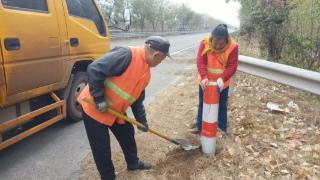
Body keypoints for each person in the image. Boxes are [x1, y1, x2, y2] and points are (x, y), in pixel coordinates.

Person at [77, 36, 171, 180]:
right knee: (101, 147)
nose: (160, 62)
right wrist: (99, 99)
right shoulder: (126, 55)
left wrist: (142, 121)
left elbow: (137, 99)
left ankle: (133, 163)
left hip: (115, 112)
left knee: (127, 133)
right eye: (162, 59)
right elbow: (95, 69)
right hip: (94, 108)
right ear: (156, 55)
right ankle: (108, 177)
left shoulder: (146, 71)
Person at [190, 24, 239, 135]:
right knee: (203, 103)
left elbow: (232, 66)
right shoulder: (204, 43)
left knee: (222, 105)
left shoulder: (233, 47)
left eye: (221, 44)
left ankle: (221, 129)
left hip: (222, 83)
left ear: (226, 41)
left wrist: (222, 78)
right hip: (205, 81)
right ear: (212, 39)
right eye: (215, 43)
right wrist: (204, 77)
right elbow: (200, 62)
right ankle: (200, 126)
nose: (217, 47)